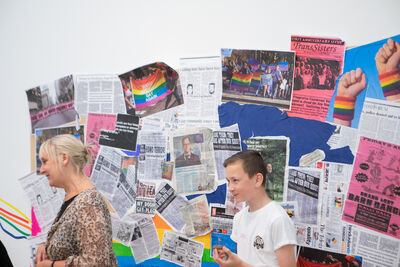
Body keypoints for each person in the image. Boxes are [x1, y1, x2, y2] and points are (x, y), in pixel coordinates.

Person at [34, 134, 118, 267]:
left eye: (45, 161)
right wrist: (47, 247)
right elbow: (73, 243)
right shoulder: (74, 199)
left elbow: (97, 263)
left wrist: (50, 265)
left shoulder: (88, 203)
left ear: (64, 158)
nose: (42, 169)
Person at [214, 150, 296, 267]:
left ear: (257, 180)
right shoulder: (239, 217)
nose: (230, 188)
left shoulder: (278, 219)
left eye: (235, 180)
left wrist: (240, 265)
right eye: (228, 181)